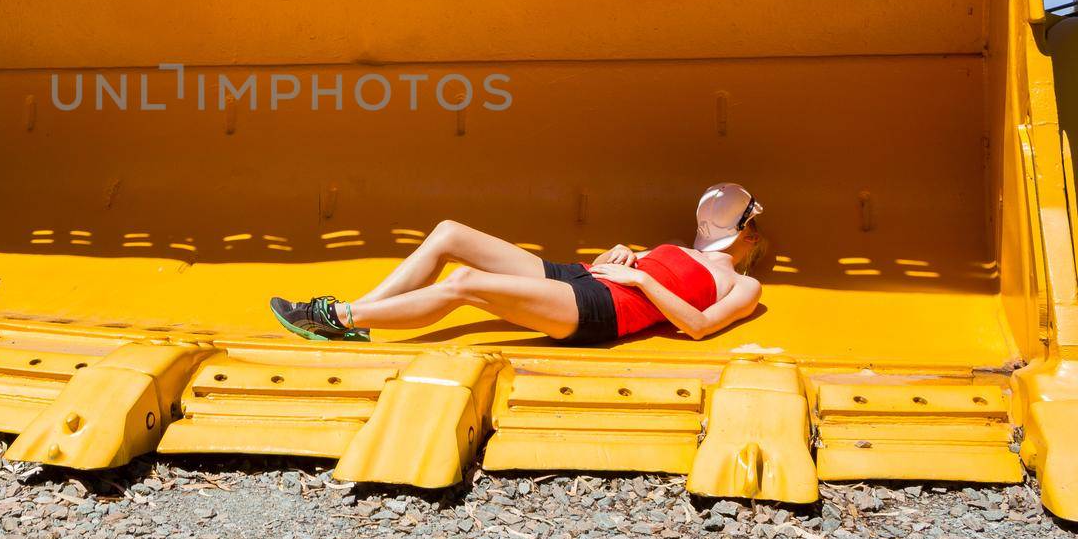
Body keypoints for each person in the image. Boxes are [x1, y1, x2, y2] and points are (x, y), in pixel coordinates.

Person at [269, 183, 767, 345]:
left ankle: (340, 318)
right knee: (449, 234)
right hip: (582, 279)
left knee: (465, 282)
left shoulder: (744, 288)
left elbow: (698, 326)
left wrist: (637, 276)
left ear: (746, 236)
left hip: (601, 310)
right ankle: (355, 314)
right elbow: (614, 267)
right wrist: (621, 254)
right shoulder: (677, 246)